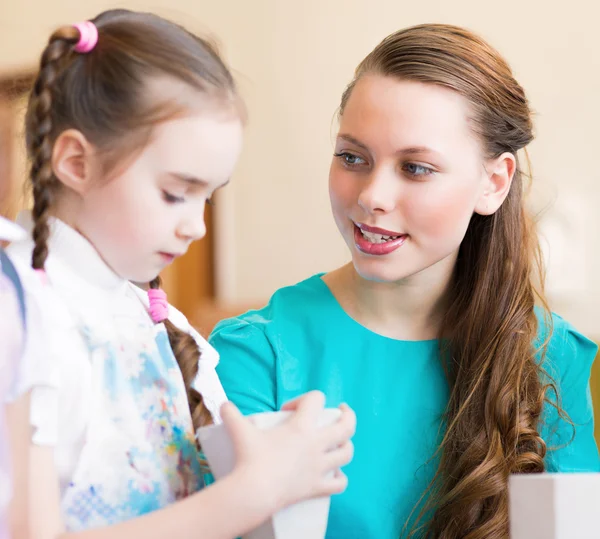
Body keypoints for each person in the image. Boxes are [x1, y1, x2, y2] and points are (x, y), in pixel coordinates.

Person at [211, 23, 599, 538]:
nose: (373, 195)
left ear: (493, 182)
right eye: (353, 157)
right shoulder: (253, 355)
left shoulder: (550, 357)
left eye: (415, 168)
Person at [7, 9, 355, 538]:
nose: (196, 227)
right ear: (76, 162)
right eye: (175, 193)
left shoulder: (162, 324)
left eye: (208, 199)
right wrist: (254, 491)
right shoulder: (20, 311)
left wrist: (280, 451)